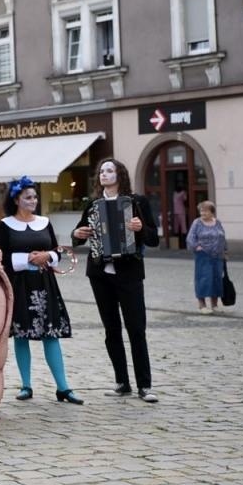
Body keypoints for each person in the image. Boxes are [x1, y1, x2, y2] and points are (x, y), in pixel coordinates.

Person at [74, 158, 160, 401]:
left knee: (136, 329)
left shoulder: (136, 202)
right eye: (101, 171)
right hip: (100, 274)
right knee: (111, 330)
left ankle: (145, 385)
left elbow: (153, 238)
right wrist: (76, 233)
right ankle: (122, 382)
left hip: (129, 272)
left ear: (120, 175)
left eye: (109, 170)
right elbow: (80, 234)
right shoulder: (93, 204)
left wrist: (140, 228)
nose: (104, 174)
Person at [0, 178, 82, 405]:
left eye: (34, 197)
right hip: (19, 285)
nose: (33, 201)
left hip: (45, 284)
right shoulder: (5, 225)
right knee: (21, 335)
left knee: (50, 334)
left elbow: (56, 251)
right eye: (28, 197)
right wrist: (28, 259)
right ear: (16, 200)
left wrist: (48, 257)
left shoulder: (44, 222)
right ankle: (26, 385)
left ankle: (63, 387)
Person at [186, 201, 228, 314]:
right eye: (201, 211)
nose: (202, 213)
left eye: (205, 211)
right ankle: (202, 305)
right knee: (204, 279)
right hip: (203, 256)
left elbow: (223, 236)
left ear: (212, 212)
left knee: (216, 279)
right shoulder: (197, 223)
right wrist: (197, 247)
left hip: (218, 256)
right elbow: (190, 238)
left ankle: (214, 305)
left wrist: (225, 251)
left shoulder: (217, 222)